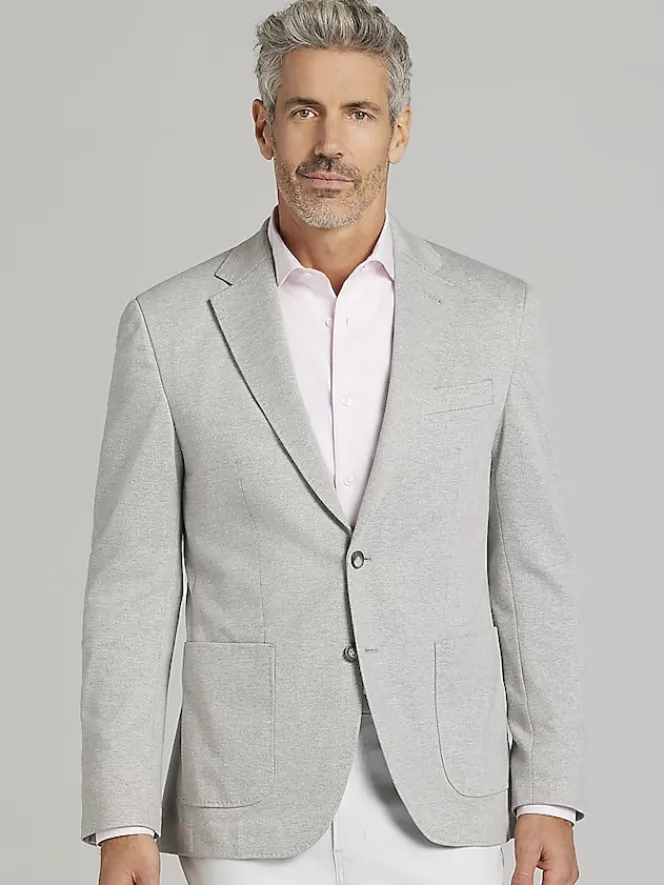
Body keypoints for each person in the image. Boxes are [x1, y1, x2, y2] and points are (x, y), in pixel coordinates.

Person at [80, 1, 586, 883]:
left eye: (358, 113)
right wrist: (124, 814)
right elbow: (133, 587)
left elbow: (529, 566)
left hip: (444, 796)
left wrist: (547, 789)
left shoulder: (495, 318)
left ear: (399, 132)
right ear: (262, 126)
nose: (328, 143)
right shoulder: (169, 328)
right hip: (243, 801)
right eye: (304, 110)